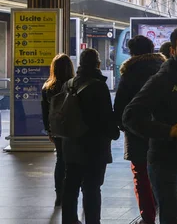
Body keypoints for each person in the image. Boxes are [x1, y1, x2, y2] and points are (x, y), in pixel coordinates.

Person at [123, 26, 177, 224]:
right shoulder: (161, 80)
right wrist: (167, 130)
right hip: (166, 165)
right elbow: (130, 116)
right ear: (173, 51)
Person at [62, 48, 120, 224]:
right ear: (98, 64)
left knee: (71, 185)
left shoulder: (70, 83)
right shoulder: (98, 85)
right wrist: (114, 132)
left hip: (71, 144)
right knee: (92, 187)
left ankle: (69, 220)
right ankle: (93, 221)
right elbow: (105, 116)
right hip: (94, 146)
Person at [114, 35, 165, 224]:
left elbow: (120, 107)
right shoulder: (164, 70)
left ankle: (148, 218)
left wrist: (123, 125)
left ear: (133, 53)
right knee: (163, 174)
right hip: (163, 132)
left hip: (137, 133)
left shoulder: (130, 73)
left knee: (141, 176)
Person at [41, 53, 75, 207]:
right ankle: (72, 193)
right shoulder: (73, 84)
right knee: (73, 161)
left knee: (60, 159)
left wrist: (48, 130)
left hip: (56, 128)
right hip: (72, 128)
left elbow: (45, 111)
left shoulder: (48, 87)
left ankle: (59, 195)